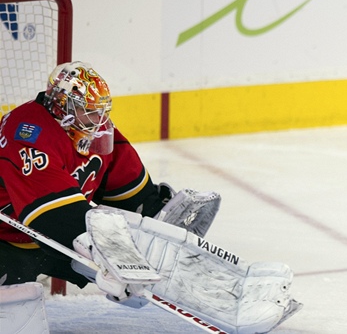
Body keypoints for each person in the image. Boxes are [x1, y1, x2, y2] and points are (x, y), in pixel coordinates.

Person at [0, 61, 300, 333]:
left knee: (153, 257)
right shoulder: (28, 133)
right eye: (88, 110)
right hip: (8, 243)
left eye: (100, 110)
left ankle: (239, 290)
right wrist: (105, 258)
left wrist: (156, 212)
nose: (98, 118)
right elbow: (53, 215)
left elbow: (125, 182)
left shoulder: (92, 131)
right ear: (61, 105)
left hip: (45, 237)